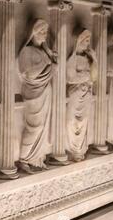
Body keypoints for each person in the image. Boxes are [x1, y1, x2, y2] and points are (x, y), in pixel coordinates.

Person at [18, 19, 57, 174]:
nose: (44, 35)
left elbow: (55, 69)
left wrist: (49, 57)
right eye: (41, 31)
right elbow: (28, 73)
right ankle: (23, 159)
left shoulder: (43, 52)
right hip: (33, 94)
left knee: (43, 128)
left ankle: (36, 158)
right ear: (32, 33)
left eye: (45, 32)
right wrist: (48, 63)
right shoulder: (27, 51)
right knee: (35, 128)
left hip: (46, 91)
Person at [66, 30, 97, 161]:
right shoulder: (72, 58)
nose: (87, 43)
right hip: (75, 94)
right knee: (71, 122)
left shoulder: (88, 59)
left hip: (86, 94)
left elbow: (94, 77)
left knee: (84, 121)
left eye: (89, 41)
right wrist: (86, 76)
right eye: (85, 40)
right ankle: (71, 148)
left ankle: (79, 150)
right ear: (78, 41)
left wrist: (94, 59)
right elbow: (70, 78)